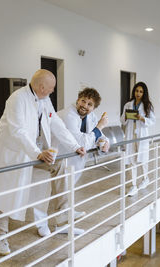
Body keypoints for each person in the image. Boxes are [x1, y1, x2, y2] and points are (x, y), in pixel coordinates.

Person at [0, 69, 86, 256]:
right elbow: (17, 131)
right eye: (52, 88)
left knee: (60, 166)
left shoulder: (44, 100)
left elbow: (56, 124)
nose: (53, 91)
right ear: (42, 86)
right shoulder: (17, 99)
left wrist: (74, 146)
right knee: (5, 195)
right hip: (13, 154)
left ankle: (62, 216)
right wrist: (37, 153)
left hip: (33, 152)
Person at [51, 88, 110, 233]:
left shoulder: (91, 116)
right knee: (61, 189)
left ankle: (66, 214)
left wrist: (104, 141)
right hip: (59, 157)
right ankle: (62, 222)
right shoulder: (67, 115)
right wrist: (100, 126)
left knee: (67, 189)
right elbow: (82, 142)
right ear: (78, 100)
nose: (85, 105)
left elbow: (97, 134)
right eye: (83, 101)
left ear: (94, 107)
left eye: (90, 104)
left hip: (75, 160)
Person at [120, 82, 156, 197]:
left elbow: (152, 121)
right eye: (136, 91)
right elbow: (122, 120)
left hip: (141, 135)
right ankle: (133, 185)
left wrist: (142, 118)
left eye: (141, 91)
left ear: (144, 93)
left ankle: (145, 178)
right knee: (131, 159)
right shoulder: (128, 104)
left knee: (143, 159)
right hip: (131, 134)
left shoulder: (147, 105)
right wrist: (126, 116)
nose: (138, 93)